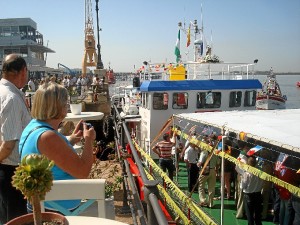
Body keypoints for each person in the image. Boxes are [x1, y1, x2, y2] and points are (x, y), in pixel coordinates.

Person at [19, 82, 96, 212]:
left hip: (44, 205)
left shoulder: (34, 127)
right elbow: (83, 172)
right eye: (65, 103)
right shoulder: (48, 137)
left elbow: (48, 154)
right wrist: (88, 140)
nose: (67, 106)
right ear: (57, 106)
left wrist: (71, 140)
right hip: (57, 210)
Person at [0, 54, 32, 223]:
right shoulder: (11, 97)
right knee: (16, 218)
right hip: (12, 169)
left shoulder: (6, 91)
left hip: (8, 168)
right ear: (22, 71)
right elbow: (9, 144)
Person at [240, 156, 264, 225]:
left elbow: (242, 186)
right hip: (258, 194)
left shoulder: (246, 174)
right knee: (258, 215)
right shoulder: (260, 173)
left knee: (250, 216)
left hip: (249, 195)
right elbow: (262, 183)